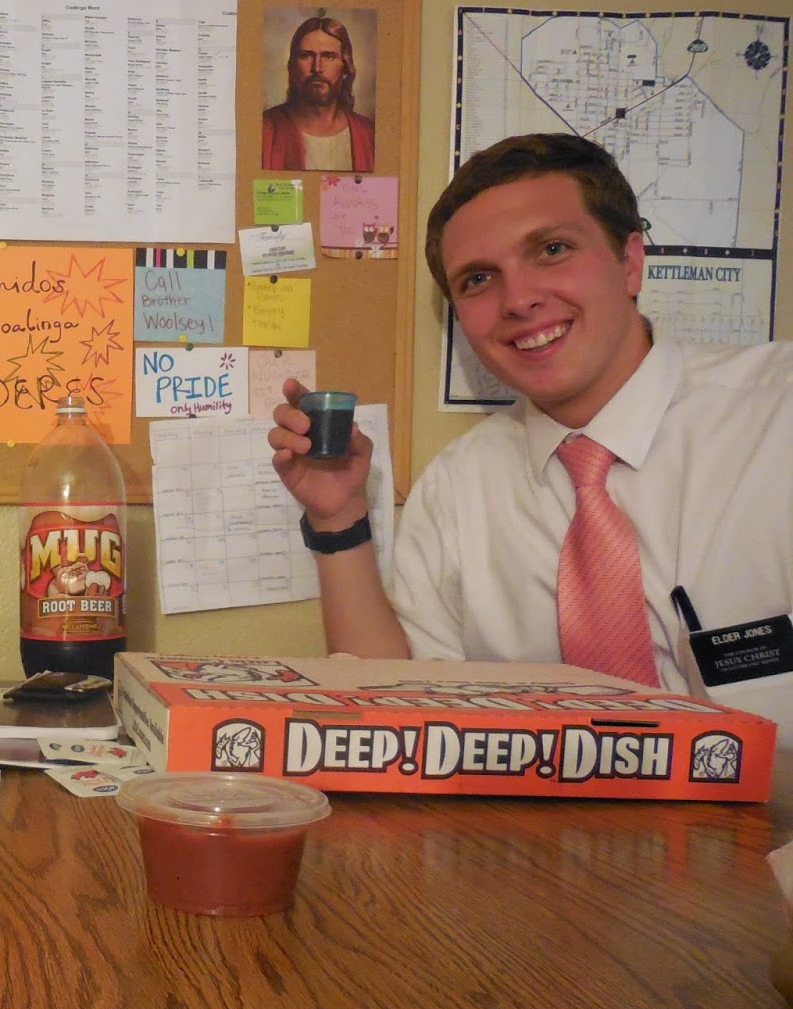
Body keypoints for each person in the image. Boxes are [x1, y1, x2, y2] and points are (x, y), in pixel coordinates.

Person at [269, 132, 793, 744]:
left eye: (551, 249)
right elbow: (397, 712)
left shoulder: (776, 417)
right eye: (478, 279)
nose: (518, 299)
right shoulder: (459, 488)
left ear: (630, 261)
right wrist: (339, 518)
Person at [261, 16, 375, 173]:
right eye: (306, 55)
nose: (317, 68)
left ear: (345, 67)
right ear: (292, 67)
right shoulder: (264, 130)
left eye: (329, 56)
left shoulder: (369, 134)